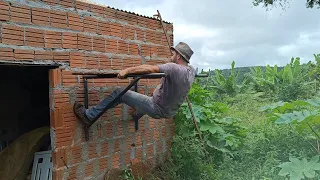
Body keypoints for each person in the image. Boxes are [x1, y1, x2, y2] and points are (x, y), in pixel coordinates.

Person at [73, 42, 196, 126]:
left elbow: (150, 69)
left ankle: (89, 115)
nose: (171, 56)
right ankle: (137, 114)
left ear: (179, 56)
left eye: (173, 54)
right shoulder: (191, 71)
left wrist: (127, 71)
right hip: (171, 111)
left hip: (156, 108)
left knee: (120, 92)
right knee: (152, 92)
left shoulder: (174, 68)